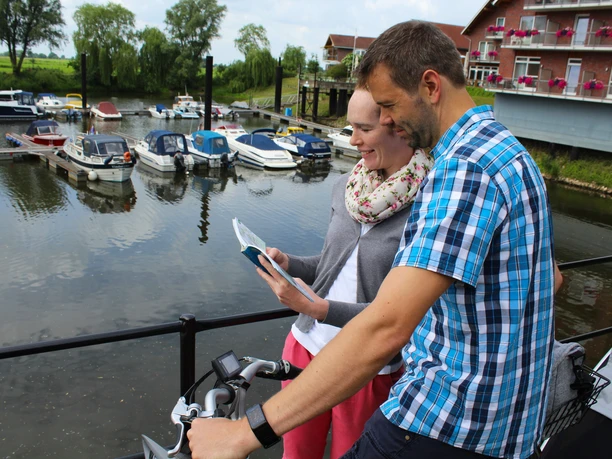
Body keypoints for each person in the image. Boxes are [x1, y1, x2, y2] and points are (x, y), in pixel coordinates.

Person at [187, 20, 556, 459]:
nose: (385, 121)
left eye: (388, 105)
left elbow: (385, 327)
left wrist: (243, 434)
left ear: (430, 86)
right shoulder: (511, 154)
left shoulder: (464, 169)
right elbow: (550, 279)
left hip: (446, 421)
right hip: (506, 425)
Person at [258, 88, 433, 459]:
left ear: (398, 129)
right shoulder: (346, 187)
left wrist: (322, 309)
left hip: (367, 366)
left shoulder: (429, 208)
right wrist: (288, 263)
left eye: (362, 129)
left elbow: (399, 316)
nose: (352, 140)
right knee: (296, 455)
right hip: (306, 348)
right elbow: (330, 263)